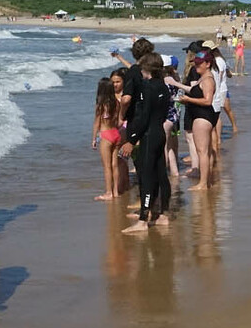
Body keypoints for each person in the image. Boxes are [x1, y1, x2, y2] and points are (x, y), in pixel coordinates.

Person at [120, 52, 172, 233]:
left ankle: (143, 219)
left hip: (149, 135)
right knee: (161, 174)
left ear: (147, 68)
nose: (140, 70)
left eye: (142, 67)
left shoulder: (147, 88)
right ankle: (164, 213)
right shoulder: (164, 87)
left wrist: (131, 140)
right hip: (159, 132)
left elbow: (143, 117)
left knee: (147, 176)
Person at [178, 49, 220, 192]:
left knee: (202, 151)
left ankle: (203, 183)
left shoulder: (208, 79)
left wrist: (188, 99)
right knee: (204, 151)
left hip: (203, 117)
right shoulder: (204, 77)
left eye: (199, 64)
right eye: (195, 64)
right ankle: (206, 181)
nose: (196, 67)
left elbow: (208, 101)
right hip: (202, 116)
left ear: (207, 64)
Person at [92, 76, 122, 201]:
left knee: (107, 166)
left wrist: (93, 139)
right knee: (115, 165)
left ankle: (108, 192)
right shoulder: (117, 103)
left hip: (106, 135)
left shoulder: (101, 105)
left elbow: (96, 123)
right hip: (116, 134)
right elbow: (119, 121)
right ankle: (115, 191)